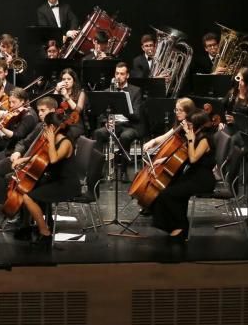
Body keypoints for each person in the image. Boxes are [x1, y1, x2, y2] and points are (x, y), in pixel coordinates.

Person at [4, 109, 77, 245]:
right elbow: (43, 158)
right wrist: (23, 160)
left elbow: (53, 159)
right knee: (25, 187)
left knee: (28, 196)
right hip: (54, 179)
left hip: (66, 184)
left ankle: (45, 232)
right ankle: (27, 225)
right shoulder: (54, 139)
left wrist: (49, 140)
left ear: (52, 127)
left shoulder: (65, 143)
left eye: (45, 126)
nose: (43, 128)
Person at [148, 110, 217, 239]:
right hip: (192, 175)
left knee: (168, 195)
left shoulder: (205, 139)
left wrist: (191, 140)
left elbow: (193, 158)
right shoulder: (195, 134)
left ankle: (181, 227)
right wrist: (165, 160)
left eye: (189, 124)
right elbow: (184, 154)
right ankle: (174, 226)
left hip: (203, 180)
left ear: (198, 125)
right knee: (165, 190)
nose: (186, 126)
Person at [88, 63, 144, 196]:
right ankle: (98, 171)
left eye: (122, 74)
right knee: (98, 133)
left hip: (129, 125)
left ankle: (123, 171)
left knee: (125, 137)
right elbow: (101, 113)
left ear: (127, 75)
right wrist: (105, 121)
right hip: (113, 124)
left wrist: (123, 106)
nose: (119, 76)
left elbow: (136, 115)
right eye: (117, 73)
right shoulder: (108, 91)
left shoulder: (135, 91)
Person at [54, 68, 87, 141]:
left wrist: (66, 96)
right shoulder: (59, 92)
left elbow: (78, 110)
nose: (66, 81)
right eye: (63, 79)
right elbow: (52, 105)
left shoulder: (80, 93)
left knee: (67, 133)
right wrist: (56, 90)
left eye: (69, 79)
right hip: (60, 123)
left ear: (74, 81)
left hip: (75, 124)